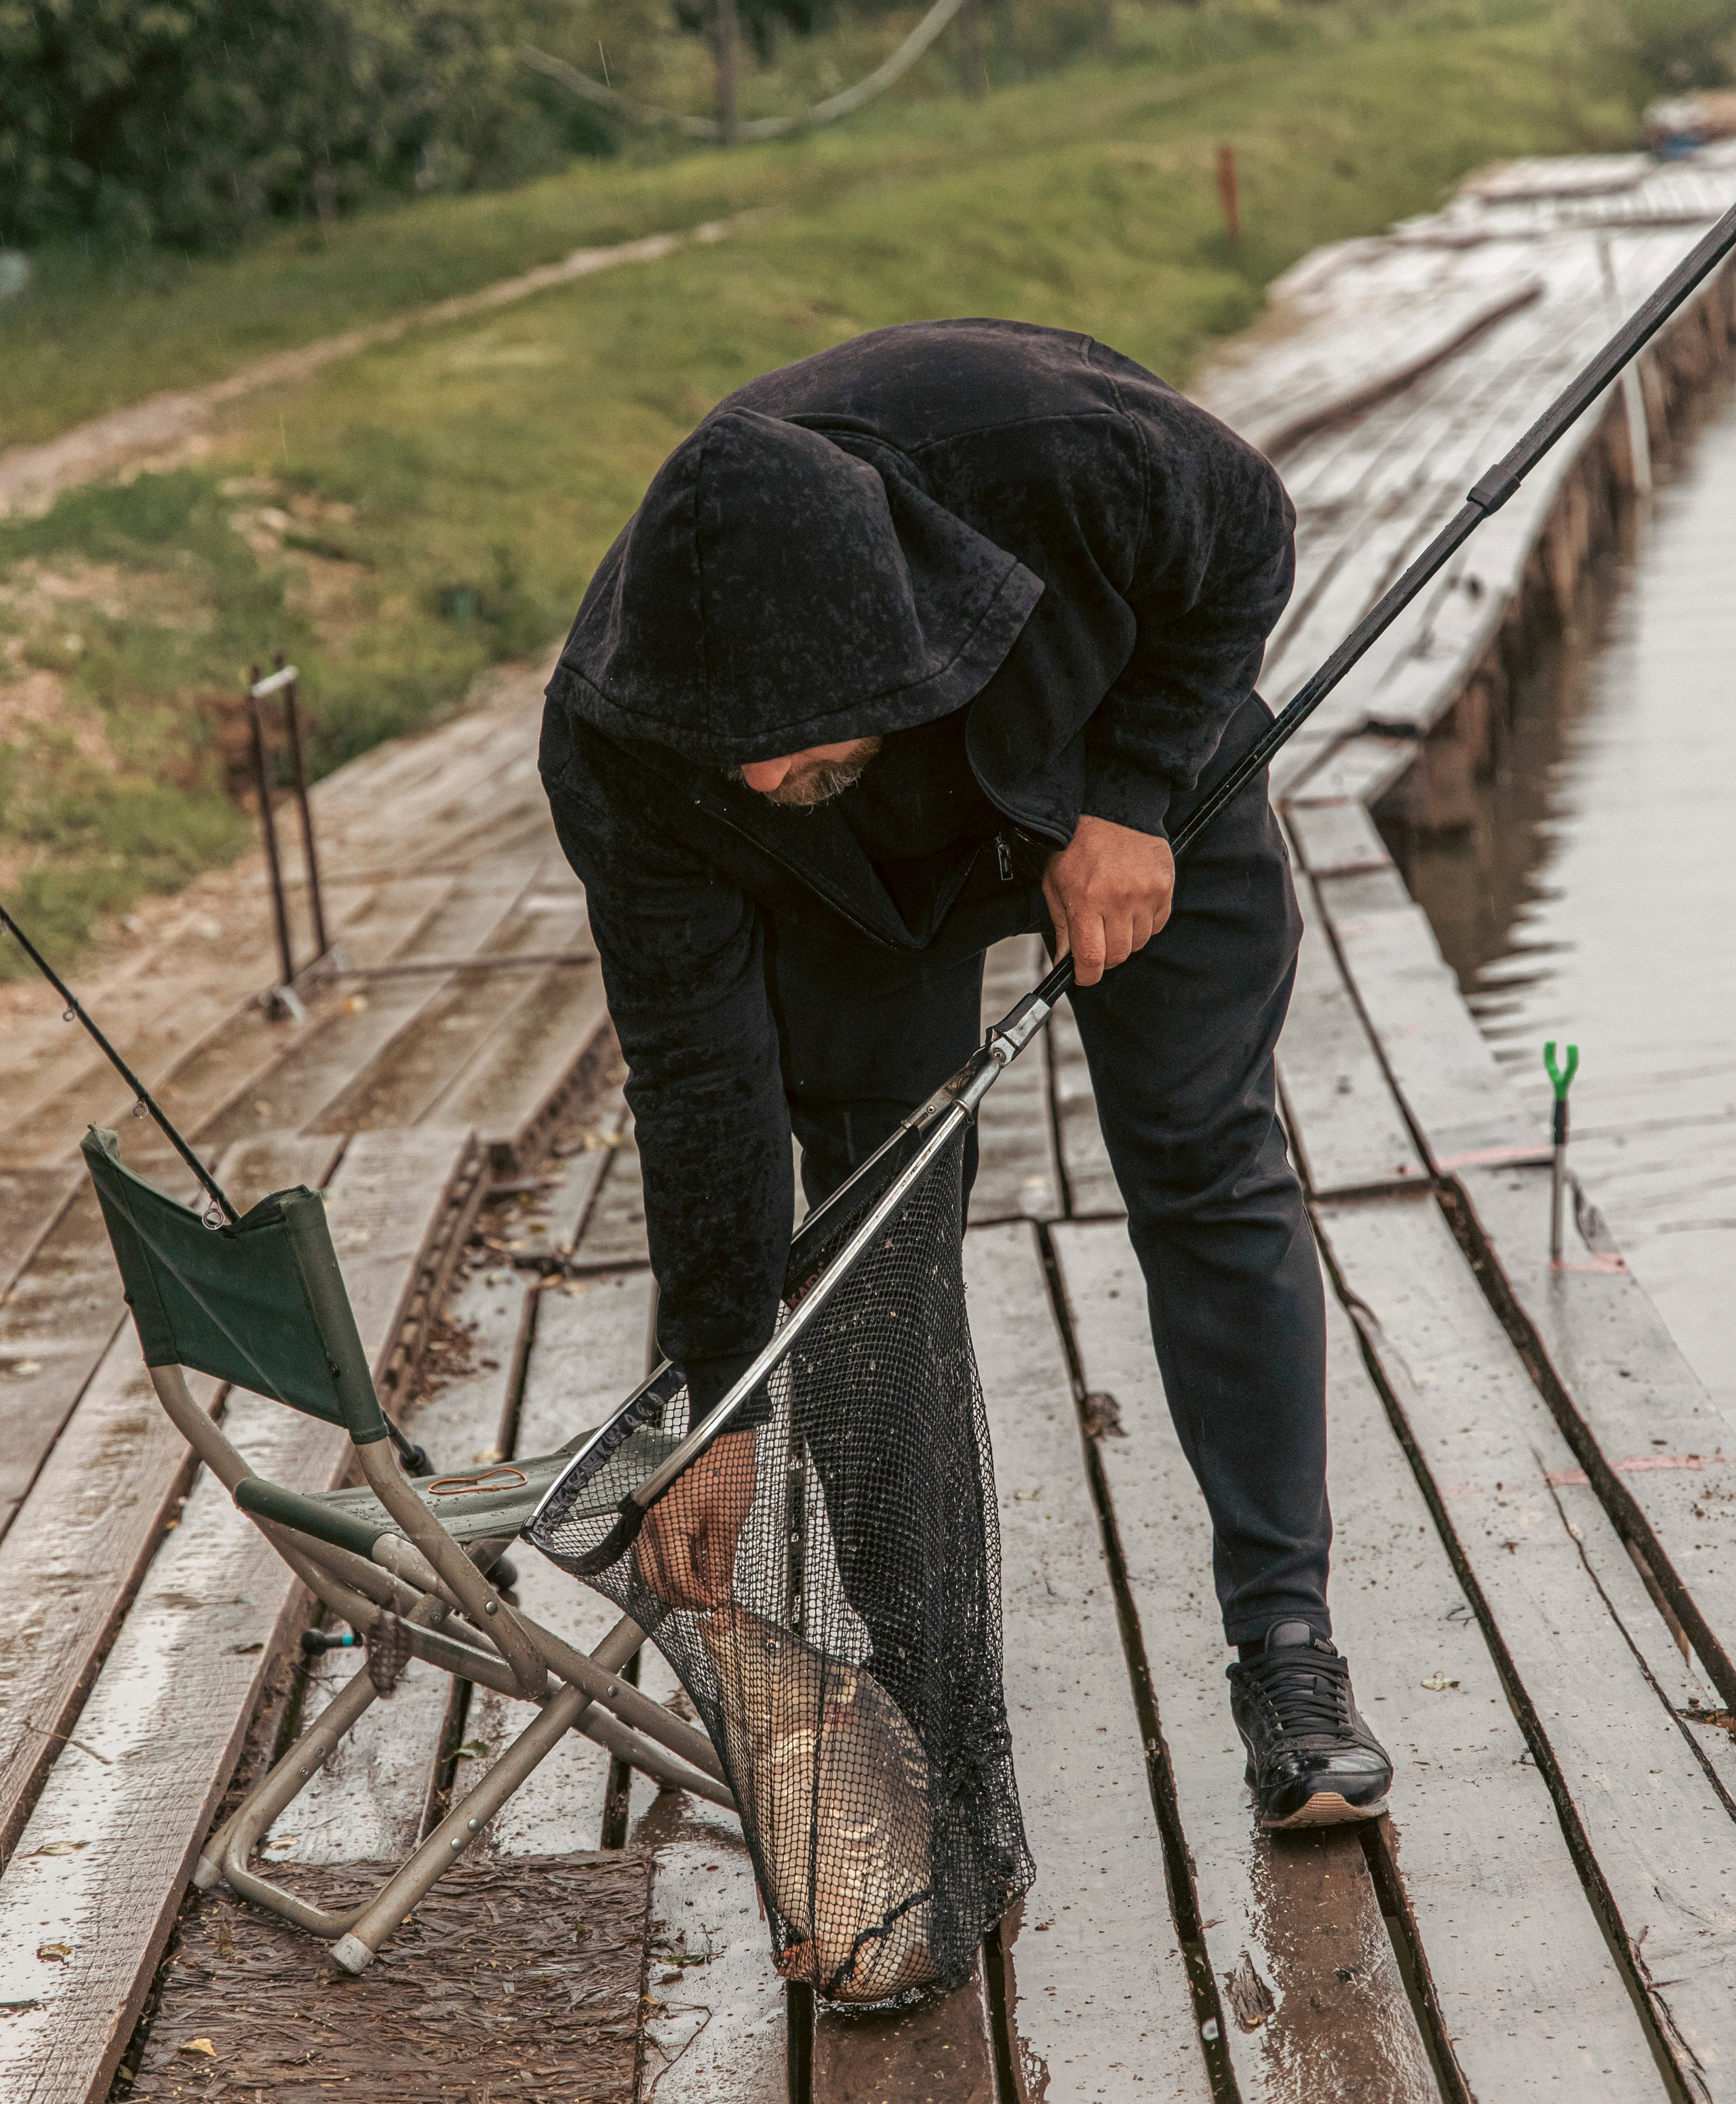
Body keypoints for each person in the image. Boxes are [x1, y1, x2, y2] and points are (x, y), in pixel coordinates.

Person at [538, 317, 1392, 1830]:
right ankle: (931, 1705)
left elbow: (1245, 530)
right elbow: (698, 1087)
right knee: (874, 1252)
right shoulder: (619, 746)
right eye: (726, 749)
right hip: (858, 898)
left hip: (1124, 763)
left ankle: (1286, 1645)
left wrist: (1126, 797)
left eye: (787, 739)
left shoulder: (1046, 449)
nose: (750, 778)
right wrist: (720, 1397)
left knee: (1201, 1155)